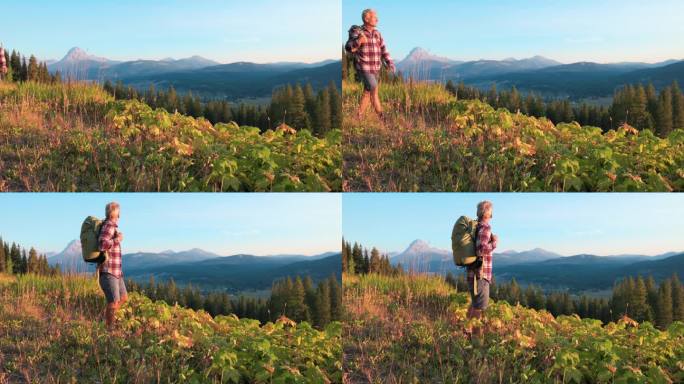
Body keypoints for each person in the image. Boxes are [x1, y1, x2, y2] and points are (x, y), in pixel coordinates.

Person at [345, 8, 395, 121]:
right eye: (374, 17)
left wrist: (390, 63)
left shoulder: (377, 33)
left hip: (376, 68)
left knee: (369, 92)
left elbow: (384, 50)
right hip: (364, 67)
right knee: (373, 86)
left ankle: (359, 117)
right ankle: (383, 117)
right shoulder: (357, 30)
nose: (377, 19)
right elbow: (348, 47)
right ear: (366, 19)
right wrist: (358, 41)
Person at [466, 201, 497, 334]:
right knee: (480, 308)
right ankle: (477, 341)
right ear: (488, 213)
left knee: (475, 304)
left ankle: (465, 330)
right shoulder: (485, 228)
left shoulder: (475, 227)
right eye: (491, 212)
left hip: (472, 273)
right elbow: (481, 250)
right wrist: (494, 243)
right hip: (481, 275)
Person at [97, 201, 127, 331]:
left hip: (116, 272)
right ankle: (110, 330)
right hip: (109, 271)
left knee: (124, 298)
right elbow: (102, 245)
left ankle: (109, 320)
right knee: (113, 302)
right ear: (114, 213)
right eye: (118, 213)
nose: (119, 216)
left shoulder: (111, 227)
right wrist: (117, 240)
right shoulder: (109, 226)